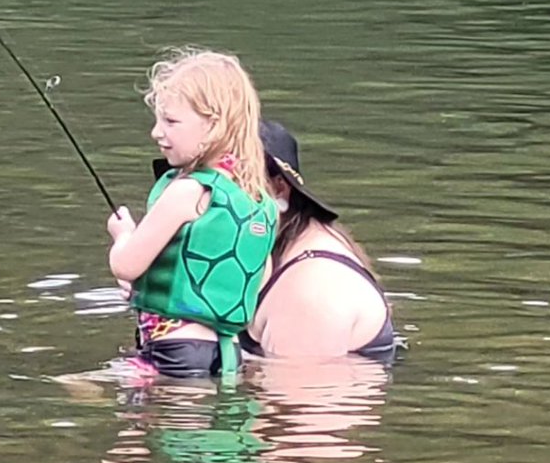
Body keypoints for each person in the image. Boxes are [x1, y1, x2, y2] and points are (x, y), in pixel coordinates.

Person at [107, 49, 277, 380]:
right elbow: (260, 273)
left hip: (173, 350)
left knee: (146, 427)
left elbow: (125, 264)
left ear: (213, 126)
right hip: (225, 352)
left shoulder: (187, 192)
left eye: (170, 121)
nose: (156, 132)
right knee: (209, 432)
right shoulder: (255, 198)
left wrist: (122, 234)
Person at [241, 120, 398, 362]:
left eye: (226, 186)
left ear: (278, 189)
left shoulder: (312, 289)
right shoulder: (291, 245)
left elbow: (296, 394)